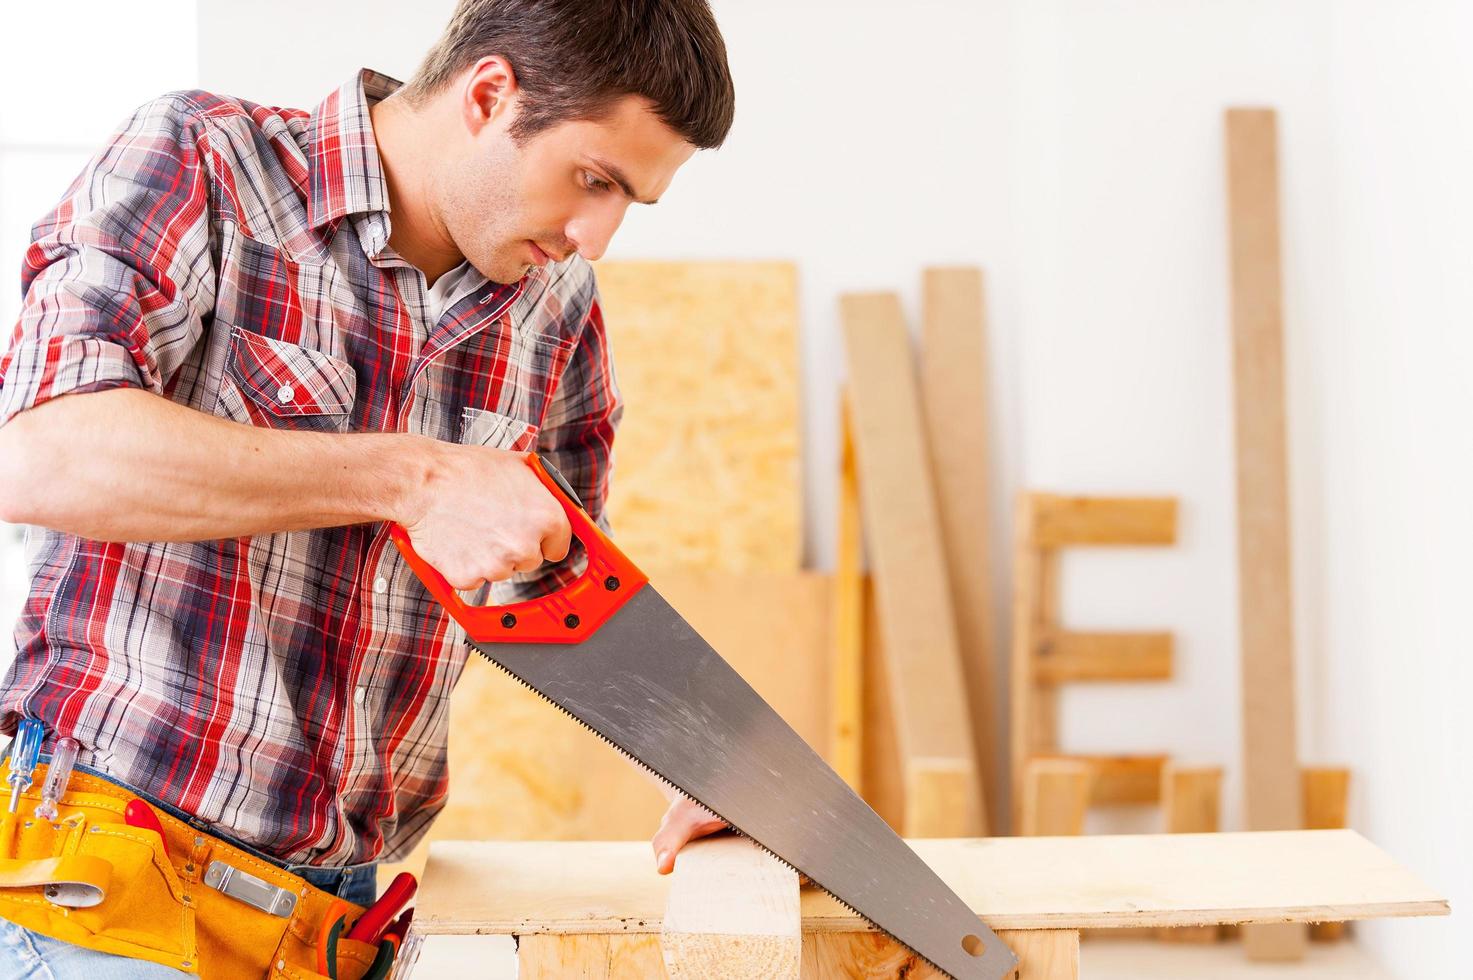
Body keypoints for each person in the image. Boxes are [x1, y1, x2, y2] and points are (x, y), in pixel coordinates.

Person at [0, 1, 732, 974]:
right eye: (591, 179)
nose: (595, 236)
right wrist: (412, 476)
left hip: (336, 927)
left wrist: (703, 767)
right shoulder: (207, 163)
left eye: (626, 201)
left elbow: (561, 591)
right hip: (105, 897)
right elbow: (42, 451)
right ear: (489, 95)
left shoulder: (556, 306)